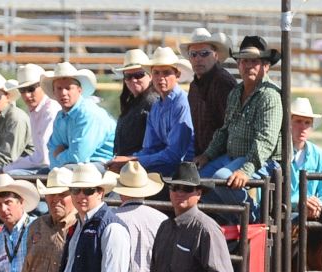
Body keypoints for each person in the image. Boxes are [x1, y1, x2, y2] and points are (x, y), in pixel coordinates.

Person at [197, 36, 283, 218]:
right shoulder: (236, 92)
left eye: (254, 61)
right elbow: (225, 130)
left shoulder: (270, 95)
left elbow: (266, 140)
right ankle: (234, 221)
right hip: (234, 156)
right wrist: (208, 155)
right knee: (199, 180)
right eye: (244, 61)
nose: (248, 65)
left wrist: (246, 169)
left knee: (221, 179)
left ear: (265, 66)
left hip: (265, 161)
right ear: (238, 65)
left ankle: (252, 219)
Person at [109, 47, 195, 179]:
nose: (161, 78)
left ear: (177, 75)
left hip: (182, 171)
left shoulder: (181, 103)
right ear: (151, 76)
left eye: (166, 73)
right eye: (156, 73)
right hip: (165, 167)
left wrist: (131, 161)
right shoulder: (156, 105)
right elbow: (150, 148)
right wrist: (130, 160)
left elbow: (175, 155)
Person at [44, 62, 115, 171]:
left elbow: (78, 156)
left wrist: (59, 155)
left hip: (105, 165)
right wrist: (56, 168)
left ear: (79, 90)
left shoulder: (88, 113)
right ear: (54, 92)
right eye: (59, 88)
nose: (63, 92)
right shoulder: (60, 116)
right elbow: (52, 147)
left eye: (68, 88)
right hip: (80, 167)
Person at [184, 28, 237, 158]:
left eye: (204, 53)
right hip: (202, 155)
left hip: (222, 156)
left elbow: (229, 130)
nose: (198, 59)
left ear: (216, 56)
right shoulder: (194, 85)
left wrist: (208, 156)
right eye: (193, 54)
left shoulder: (223, 83)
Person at [287, 97, 322, 220]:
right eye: (298, 121)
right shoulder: (276, 154)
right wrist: (301, 203)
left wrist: (317, 205)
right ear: (289, 123)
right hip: (281, 216)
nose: (303, 127)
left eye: (307, 123)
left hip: (311, 217)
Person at [5, 64, 56, 174]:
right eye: (22, 90)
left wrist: (8, 168)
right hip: (46, 165)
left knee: (8, 175)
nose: (27, 95)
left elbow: (43, 157)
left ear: (43, 86)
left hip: (50, 168)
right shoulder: (36, 110)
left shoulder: (50, 110)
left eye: (31, 89)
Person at [109, 50, 156, 158]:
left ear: (150, 76)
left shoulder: (153, 102)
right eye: (128, 76)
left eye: (139, 75)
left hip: (140, 165)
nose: (133, 80)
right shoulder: (132, 102)